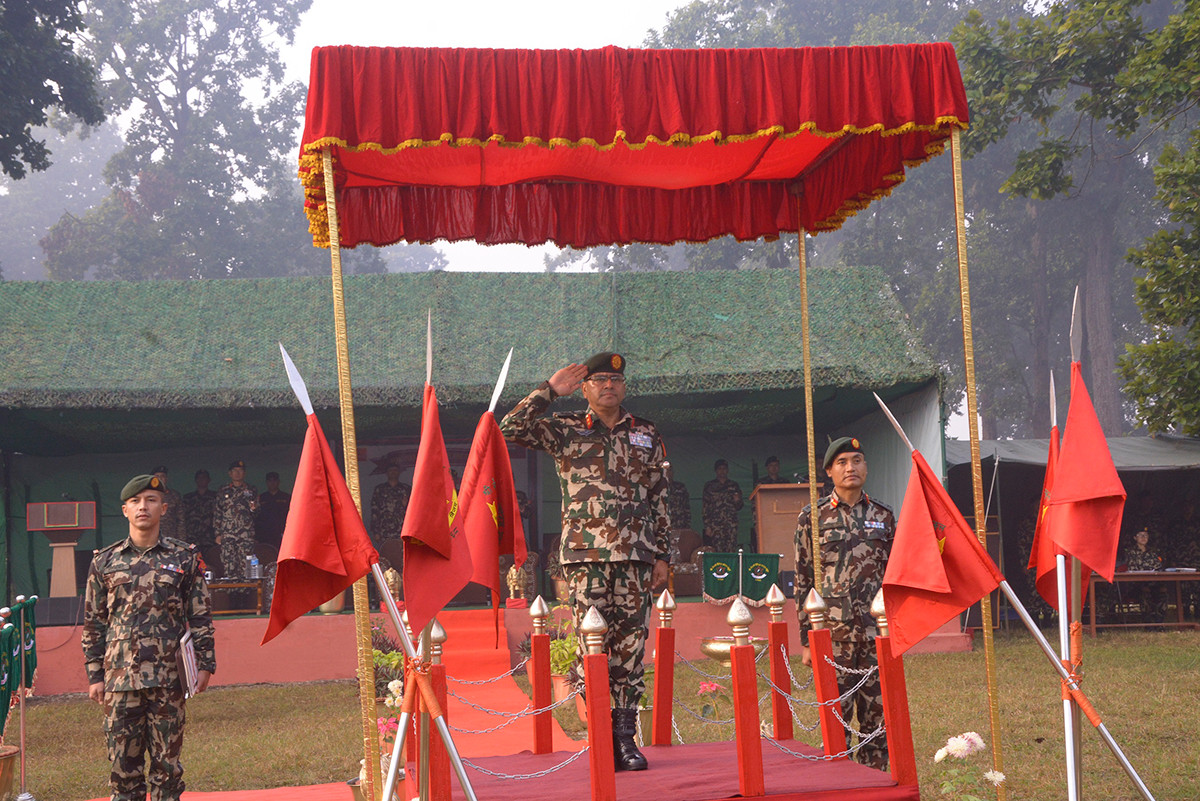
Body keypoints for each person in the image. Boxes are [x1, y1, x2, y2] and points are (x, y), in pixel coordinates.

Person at [500, 351, 670, 772]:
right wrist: (549, 391)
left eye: (615, 380)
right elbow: (510, 428)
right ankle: (598, 735)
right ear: (586, 388)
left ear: (624, 387)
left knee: (630, 650)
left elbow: (660, 496)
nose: (608, 386)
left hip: (635, 557)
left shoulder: (645, 433)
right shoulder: (566, 428)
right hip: (584, 557)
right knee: (591, 646)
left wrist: (663, 555)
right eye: (598, 380)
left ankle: (625, 740)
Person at [82, 474, 215, 801]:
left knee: (166, 770)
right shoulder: (105, 561)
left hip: (168, 680)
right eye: (136, 501)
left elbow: (199, 615)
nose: (144, 507)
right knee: (123, 770)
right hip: (119, 680)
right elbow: (94, 622)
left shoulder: (184, 559)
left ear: (164, 508)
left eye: (151, 500)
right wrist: (94, 674)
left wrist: (206, 663)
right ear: (125, 510)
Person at [794, 436, 893, 770]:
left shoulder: (884, 515)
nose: (851, 467)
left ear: (865, 466)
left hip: (876, 634)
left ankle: (877, 785)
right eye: (842, 462)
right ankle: (838, 782)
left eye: (857, 460)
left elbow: (894, 576)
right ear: (829, 472)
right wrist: (807, 638)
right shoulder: (812, 517)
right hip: (832, 635)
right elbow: (804, 580)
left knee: (878, 721)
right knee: (835, 721)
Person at [213, 459, 258, 578]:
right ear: (230, 473)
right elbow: (218, 512)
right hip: (228, 534)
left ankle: (246, 593)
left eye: (240, 471)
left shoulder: (251, 490)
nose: (237, 473)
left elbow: (257, 513)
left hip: (245, 534)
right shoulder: (223, 490)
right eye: (235, 471)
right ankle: (231, 593)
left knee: (246, 566)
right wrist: (218, 533)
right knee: (229, 565)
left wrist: (254, 509)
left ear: (244, 473)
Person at [1120, 528, 1166, 623]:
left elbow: (1158, 567)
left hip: (1152, 582)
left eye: (1145, 535)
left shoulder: (1153, 552)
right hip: (1136, 584)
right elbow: (1132, 568)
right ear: (1135, 538)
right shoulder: (1130, 552)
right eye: (1140, 535)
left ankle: (1159, 621)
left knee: (1162, 591)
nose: (1143, 537)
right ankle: (1148, 621)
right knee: (1144, 591)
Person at [702, 459, 743, 552]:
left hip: (730, 524)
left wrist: (737, 500)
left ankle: (730, 567)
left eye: (724, 468)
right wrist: (707, 526)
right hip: (716, 525)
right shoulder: (710, 486)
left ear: (727, 470)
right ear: (716, 471)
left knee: (731, 550)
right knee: (717, 551)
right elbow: (705, 507)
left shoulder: (734, 485)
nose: (722, 471)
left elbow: (740, 506)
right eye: (720, 469)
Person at [182, 469, 217, 558]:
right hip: (192, 538)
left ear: (209, 480)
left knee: (211, 564)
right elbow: (182, 518)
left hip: (210, 539)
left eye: (204, 478)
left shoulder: (215, 497)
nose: (201, 480)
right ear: (196, 480)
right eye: (199, 478)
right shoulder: (188, 498)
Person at [255, 472, 291, 550]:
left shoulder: (286, 497)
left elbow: (291, 516)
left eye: (274, 481)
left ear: (278, 482)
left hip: (281, 533)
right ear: (267, 482)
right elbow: (257, 517)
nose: (272, 483)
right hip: (265, 534)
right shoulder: (261, 498)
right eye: (270, 481)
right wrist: (257, 536)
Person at [150, 466, 186, 542]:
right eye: (157, 476)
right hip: (152, 537)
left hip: (171, 537)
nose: (160, 478)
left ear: (166, 479)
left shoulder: (175, 495)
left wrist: (181, 540)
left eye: (162, 476)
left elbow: (181, 519)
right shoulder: (147, 496)